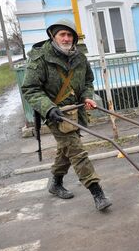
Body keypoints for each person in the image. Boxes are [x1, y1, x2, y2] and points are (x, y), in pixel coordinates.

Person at [21, 19, 112, 211]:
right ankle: (97, 192)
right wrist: (48, 108)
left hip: (75, 112)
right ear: (53, 36)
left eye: (70, 35)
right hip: (56, 114)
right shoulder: (40, 58)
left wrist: (87, 97)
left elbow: (88, 81)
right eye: (62, 34)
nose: (66, 38)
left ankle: (55, 182)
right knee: (76, 151)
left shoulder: (79, 57)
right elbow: (30, 89)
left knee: (66, 149)